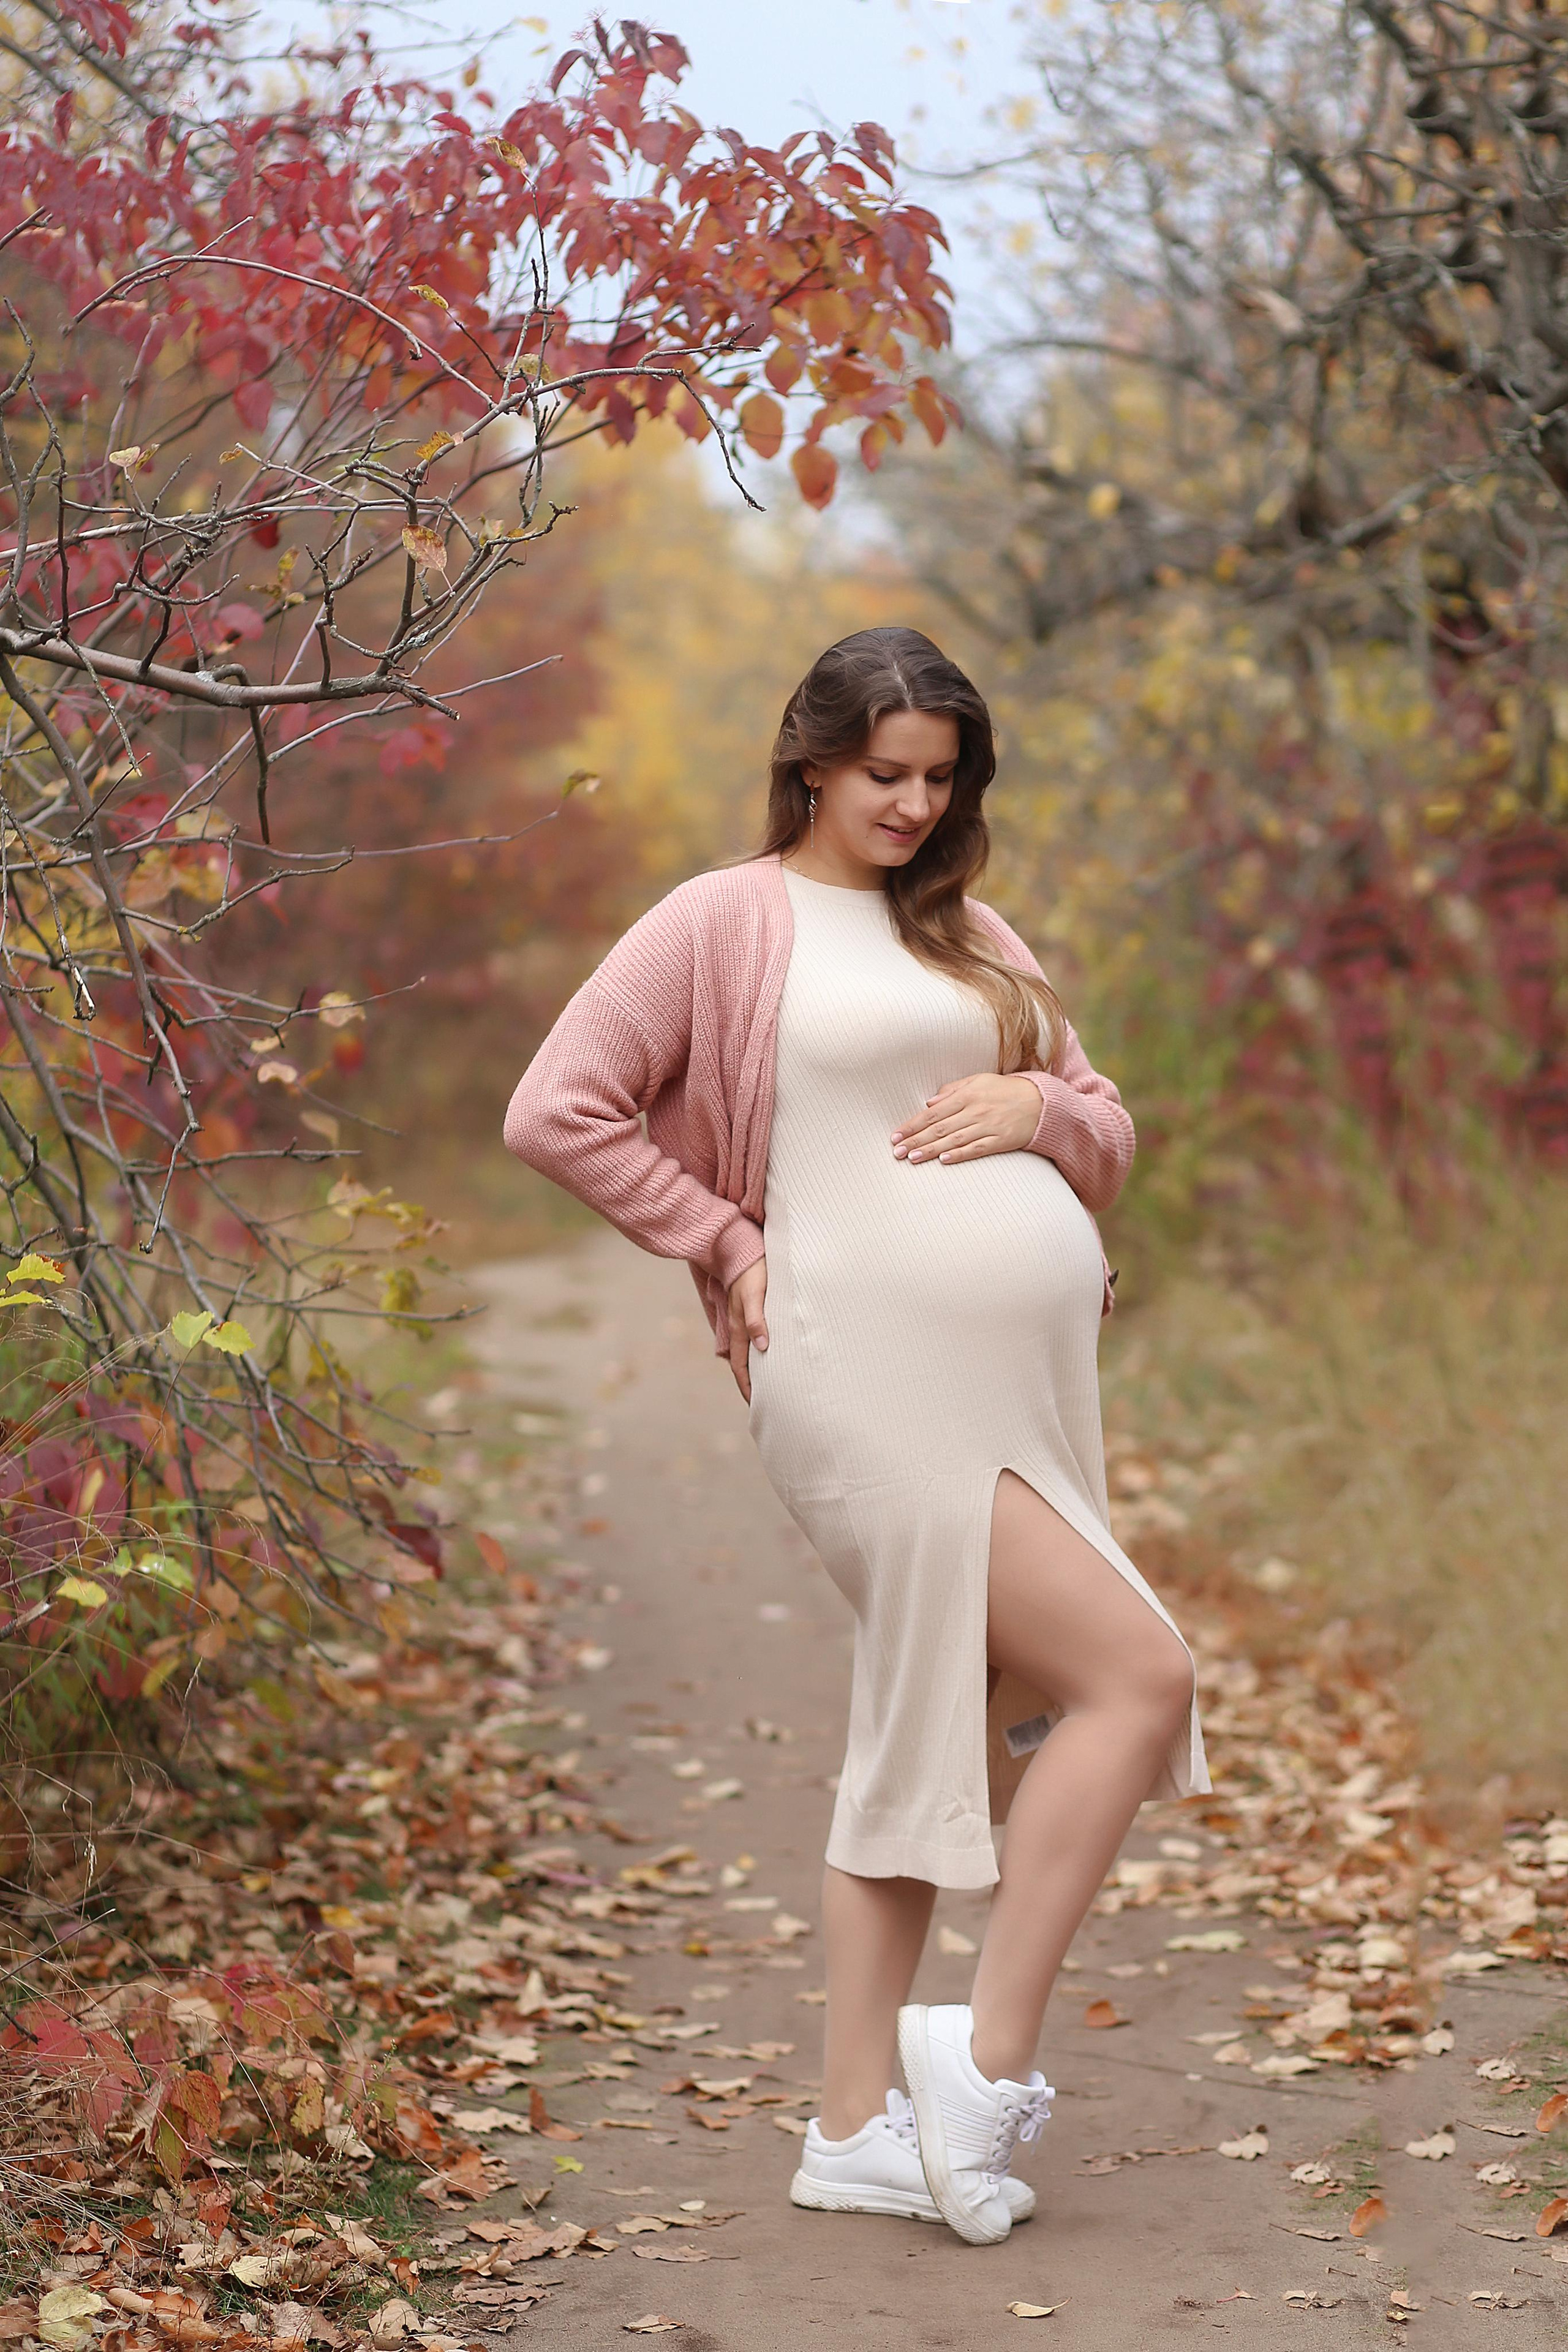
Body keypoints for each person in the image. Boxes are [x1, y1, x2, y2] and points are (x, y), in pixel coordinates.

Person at [503, 626, 1209, 2245]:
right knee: (1139, 1673)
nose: (911, 805)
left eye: (939, 778)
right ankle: (983, 2058)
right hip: (861, 1377)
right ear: (812, 760)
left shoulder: (968, 931)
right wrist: (721, 1236)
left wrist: (1038, 1112)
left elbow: (1104, 1124)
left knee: (932, 1721)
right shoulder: (722, 921)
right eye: (885, 773)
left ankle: (848, 2131)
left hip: (1020, 1394)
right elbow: (558, 1110)